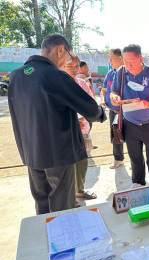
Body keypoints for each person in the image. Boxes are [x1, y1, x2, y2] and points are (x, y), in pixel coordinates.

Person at [8, 34, 106, 214]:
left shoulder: (16, 76)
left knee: (42, 202)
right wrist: (102, 113)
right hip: (58, 153)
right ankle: (61, 241)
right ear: (60, 49)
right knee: (62, 207)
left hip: (31, 152)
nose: (67, 61)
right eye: (68, 56)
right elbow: (90, 109)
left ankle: (46, 237)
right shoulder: (55, 76)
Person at [110, 44, 149, 187]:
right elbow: (114, 91)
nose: (128, 65)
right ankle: (138, 183)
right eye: (125, 62)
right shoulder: (121, 72)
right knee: (135, 157)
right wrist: (114, 97)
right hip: (129, 123)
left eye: (132, 62)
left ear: (141, 59)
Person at [61, 53, 97, 202]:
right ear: (62, 66)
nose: (75, 70)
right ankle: (68, 198)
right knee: (66, 165)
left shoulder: (81, 82)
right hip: (65, 131)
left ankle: (79, 192)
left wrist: (84, 116)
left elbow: (90, 102)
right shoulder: (58, 83)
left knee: (82, 161)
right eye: (71, 66)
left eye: (77, 67)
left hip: (81, 129)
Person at [100, 48, 125, 169]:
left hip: (127, 112)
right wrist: (104, 101)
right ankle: (118, 159)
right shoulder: (110, 74)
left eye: (112, 58)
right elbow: (104, 90)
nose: (110, 61)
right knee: (116, 136)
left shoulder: (128, 73)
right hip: (113, 111)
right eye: (109, 59)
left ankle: (136, 160)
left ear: (120, 58)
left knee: (132, 137)